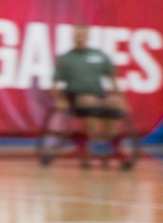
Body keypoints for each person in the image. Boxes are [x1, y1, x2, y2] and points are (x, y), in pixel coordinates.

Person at [51, 24, 129, 162]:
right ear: (73, 37)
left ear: (87, 37)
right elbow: (54, 84)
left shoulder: (99, 55)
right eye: (77, 35)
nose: (79, 38)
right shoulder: (66, 58)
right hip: (75, 96)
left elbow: (112, 78)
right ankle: (93, 142)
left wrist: (120, 97)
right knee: (89, 101)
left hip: (99, 95)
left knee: (115, 103)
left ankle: (106, 141)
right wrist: (59, 100)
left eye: (82, 35)